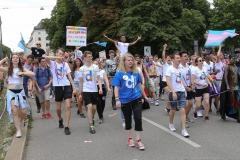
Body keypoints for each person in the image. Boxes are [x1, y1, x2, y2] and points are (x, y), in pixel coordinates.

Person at [112, 53, 148, 150]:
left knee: (138, 118)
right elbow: (116, 87)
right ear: (124, 62)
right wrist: (117, 99)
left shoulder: (136, 72)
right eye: (128, 60)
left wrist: (144, 96)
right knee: (128, 120)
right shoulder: (119, 73)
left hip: (136, 98)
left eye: (132, 60)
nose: (131, 61)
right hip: (124, 99)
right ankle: (130, 138)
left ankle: (139, 140)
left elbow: (140, 85)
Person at [0, 54, 35, 138]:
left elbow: (32, 73)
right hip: (11, 91)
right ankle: (18, 130)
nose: (15, 59)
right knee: (15, 111)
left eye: (17, 58)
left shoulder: (21, 68)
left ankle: (22, 121)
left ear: (19, 60)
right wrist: (4, 59)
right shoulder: (9, 69)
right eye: (14, 58)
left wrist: (22, 72)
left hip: (21, 91)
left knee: (24, 111)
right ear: (11, 60)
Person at [45, 48, 76, 135]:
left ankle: (66, 126)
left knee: (68, 107)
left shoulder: (65, 64)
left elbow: (69, 76)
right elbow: (46, 57)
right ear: (56, 54)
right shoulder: (52, 63)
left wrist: (73, 87)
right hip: (57, 87)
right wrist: (56, 57)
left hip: (66, 86)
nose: (61, 55)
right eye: (59, 53)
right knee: (58, 108)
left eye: (62, 54)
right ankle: (60, 119)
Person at [78, 51, 103, 134]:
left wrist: (100, 88)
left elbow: (99, 78)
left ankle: (91, 117)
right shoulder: (82, 69)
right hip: (86, 90)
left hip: (94, 90)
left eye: (91, 56)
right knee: (89, 106)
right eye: (88, 56)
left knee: (94, 108)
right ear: (84, 58)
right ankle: (91, 125)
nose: (90, 58)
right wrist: (80, 93)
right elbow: (80, 81)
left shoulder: (95, 67)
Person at [166, 53, 189, 137]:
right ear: (173, 60)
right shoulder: (170, 69)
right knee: (173, 109)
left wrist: (185, 89)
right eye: (177, 58)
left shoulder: (180, 69)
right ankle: (171, 123)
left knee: (183, 110)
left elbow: (181, 80)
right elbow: (168, 81)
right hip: (174, 92)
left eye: (179, 58)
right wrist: (173, 92)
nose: (179, 59)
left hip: (182, 91)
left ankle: (184, 129)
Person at [220, 54, 240, 122]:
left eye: (235, 58)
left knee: (238, 100)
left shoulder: (236, 67)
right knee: (230, 102)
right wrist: (228, 86)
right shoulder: (227, 66)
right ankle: (225, 113)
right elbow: (225, 77)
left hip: (237, 86)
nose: (234, 59)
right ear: (229, 58)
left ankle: (238, 116)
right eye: (232, 58)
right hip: (231, 86)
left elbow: (237, 76)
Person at [192, 57, 213, 121]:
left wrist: (210, 81)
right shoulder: (194, 70)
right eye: (200, 61)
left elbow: (207, 76)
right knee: (198, 105)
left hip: (205, 88)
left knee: (207, 102)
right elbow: (193, 81)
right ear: (196, 63)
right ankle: (195, 111)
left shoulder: (204, 68)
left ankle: (206, 116)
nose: (201, 62)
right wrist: (201, 84)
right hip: (198, 89)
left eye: (202, 60)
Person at [179, 51, 194, 125]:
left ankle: (186, 116)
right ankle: (183, 121)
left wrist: (192, 84)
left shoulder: (188, 66)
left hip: (189, 86)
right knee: (185, 105)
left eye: (187, 56)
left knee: (190, 104)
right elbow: (179, 80)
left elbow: (190, 76)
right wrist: (185, 87)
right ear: (181, 58)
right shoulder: (179, 68)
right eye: (185, 56)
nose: (187, 57)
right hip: (182, 88)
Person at [161, 44, 173, 114]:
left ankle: (168, 107)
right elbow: (163, 56)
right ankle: (168, 108)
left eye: (169, 57)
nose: (168, 58)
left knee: (170, 95)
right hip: (164, 81)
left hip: (170, 82)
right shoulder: (165, 64)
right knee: (169, 94)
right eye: (167, 57)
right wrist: (164, 48)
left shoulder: (172, 64)